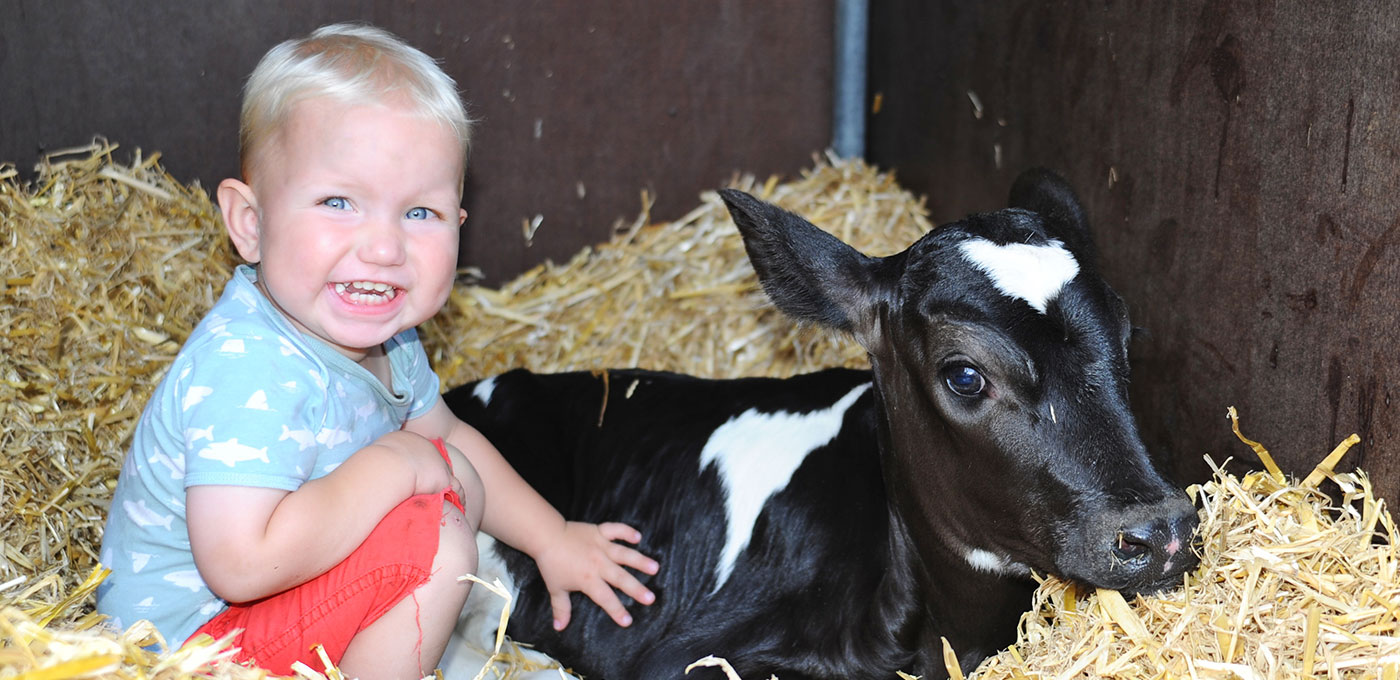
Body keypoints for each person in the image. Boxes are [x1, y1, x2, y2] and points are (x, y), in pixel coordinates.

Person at [97, 22, 658, 678]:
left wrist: (552, 538)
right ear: (251, 224)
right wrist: (394, 464)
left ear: (460, 223)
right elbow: (242, 565)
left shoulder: (389, 338)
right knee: (438, 536)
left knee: (452, 475)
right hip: (189, 651)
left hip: (270, 612)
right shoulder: (249, 369)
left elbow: (450, 441)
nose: (385, 247)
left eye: (419, 213)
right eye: (339, 202)